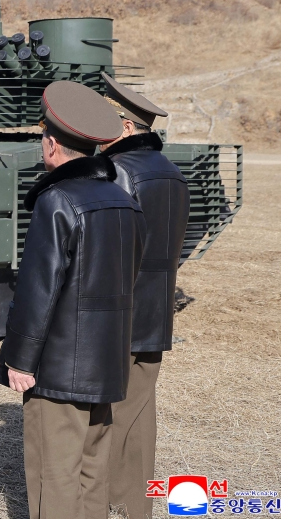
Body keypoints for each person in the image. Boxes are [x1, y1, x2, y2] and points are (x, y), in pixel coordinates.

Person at [0, 81, 146, 519]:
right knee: (92, 471)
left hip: (59, 366)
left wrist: (20, 360)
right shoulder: (125, 201)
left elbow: (38, 288)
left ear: (52, 143)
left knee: (54, 474)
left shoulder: (56, 200)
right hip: (108, 361)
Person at [98, 73, 189, 519]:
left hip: (116, 311)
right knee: (141, 413)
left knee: (103, 414)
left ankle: (94, 498)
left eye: (105, 118)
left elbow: (107, 248)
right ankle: (136, 504)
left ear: (127, 128)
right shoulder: (171, 171)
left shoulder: (117, 170)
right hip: (155, 313)